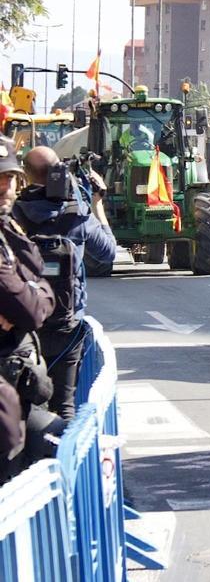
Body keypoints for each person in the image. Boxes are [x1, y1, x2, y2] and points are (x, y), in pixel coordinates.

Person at [14, 146, 117, 421]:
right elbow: (108, 253)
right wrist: (97, 205)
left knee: (23, 408)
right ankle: (61, 458)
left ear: (24, 176)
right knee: (65, 406)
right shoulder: (77, 215)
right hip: (67, 327)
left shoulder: (14, 216)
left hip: (23, 328)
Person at [0, 135, 58, 478]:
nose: (5, 188)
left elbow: (41, 284)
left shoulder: (9, 227)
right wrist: (34, 293)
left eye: (8, 179)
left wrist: (34, 291)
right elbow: (27, 309)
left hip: (21, 381)